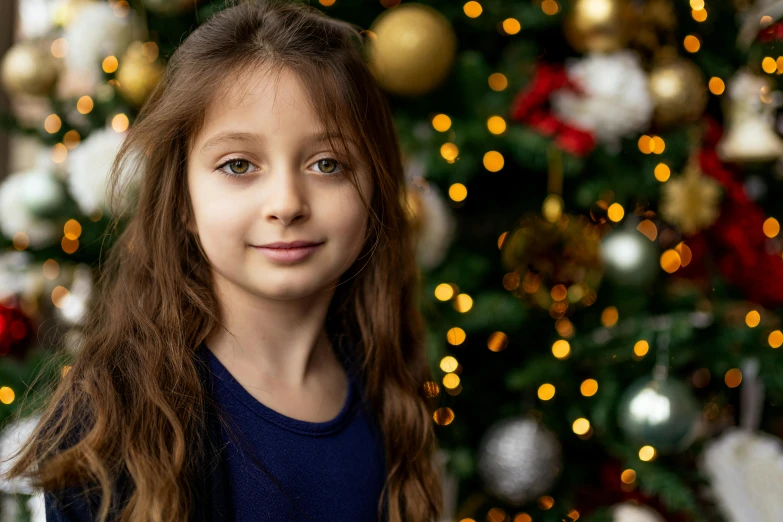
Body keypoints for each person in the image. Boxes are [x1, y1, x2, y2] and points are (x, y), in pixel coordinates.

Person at [2, 1, 444, 520]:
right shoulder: (112, 426)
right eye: (238, 165)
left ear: (373, 186)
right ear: (183, 201)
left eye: (327, 163)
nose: (286, 203)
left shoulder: (388, 390)